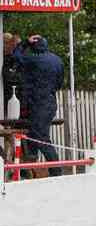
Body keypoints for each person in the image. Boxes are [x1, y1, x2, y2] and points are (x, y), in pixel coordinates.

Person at [12, 34, 64, 176]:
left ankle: (56, 171)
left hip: (37, 103)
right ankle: (29, 170)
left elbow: (16, 56)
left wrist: (24, 43)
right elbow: (59, 84)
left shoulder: (32, 59)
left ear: (33, 47)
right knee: (33, 137)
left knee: (39, 137)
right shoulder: (57, 60)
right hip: (50, 102)